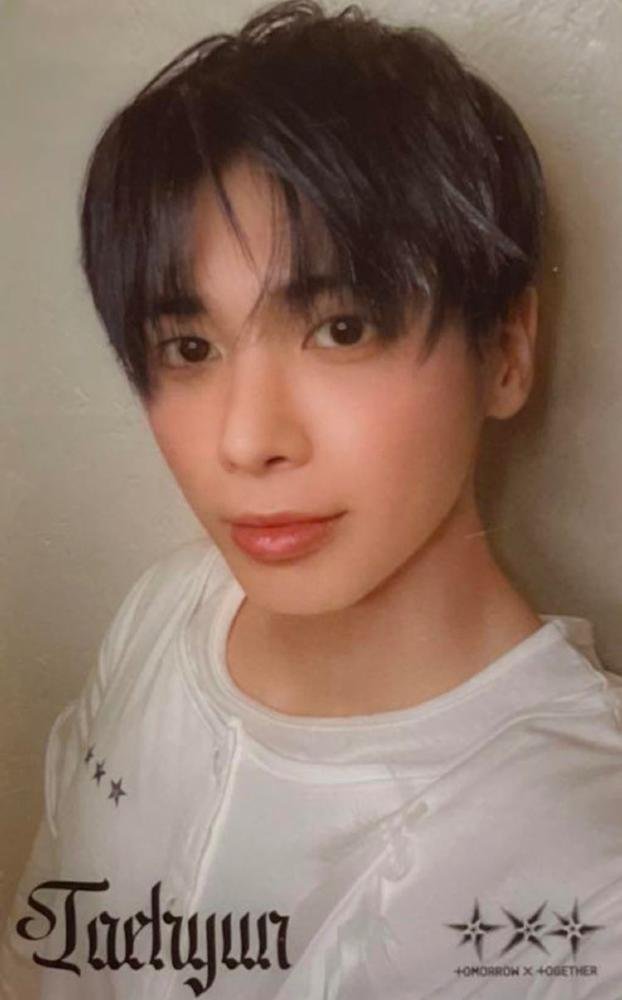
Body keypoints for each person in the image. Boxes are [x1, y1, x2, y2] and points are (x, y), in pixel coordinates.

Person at [2, 1, 621, 997]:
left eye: (342, 329)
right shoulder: (163, 612)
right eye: (190, 347)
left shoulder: (590, 865)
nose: (246, 440)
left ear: (506, 350)